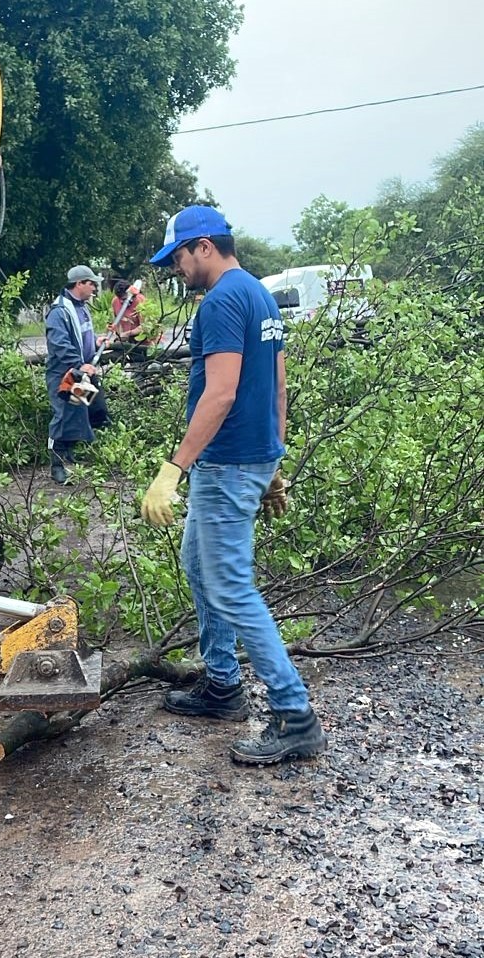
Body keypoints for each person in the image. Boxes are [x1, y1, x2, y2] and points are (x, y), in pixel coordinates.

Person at [140, 205, 327, 766]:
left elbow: (220, 393)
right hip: (248, 459)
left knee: (230, 586)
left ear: (203, 246)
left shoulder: (221, 300)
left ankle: (295, 715)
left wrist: (173, 469)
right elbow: (278, 387)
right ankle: (223, 686)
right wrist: (274, 463)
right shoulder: (259, 295)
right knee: (200, 565)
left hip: (225, 465)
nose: (175, 269)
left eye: (177, 257)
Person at [44, 264, 111, 484]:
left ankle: (69, 453)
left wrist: (96, 342)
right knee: (63, 416)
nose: (94, 288)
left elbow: (82, 337)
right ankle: (56, 465)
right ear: (79, 284)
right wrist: (79, 365)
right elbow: (59, 344)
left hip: (81, 373)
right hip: (64, 375)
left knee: (87, 411)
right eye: (91, 284)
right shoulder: (59, 312)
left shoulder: (81, 308)